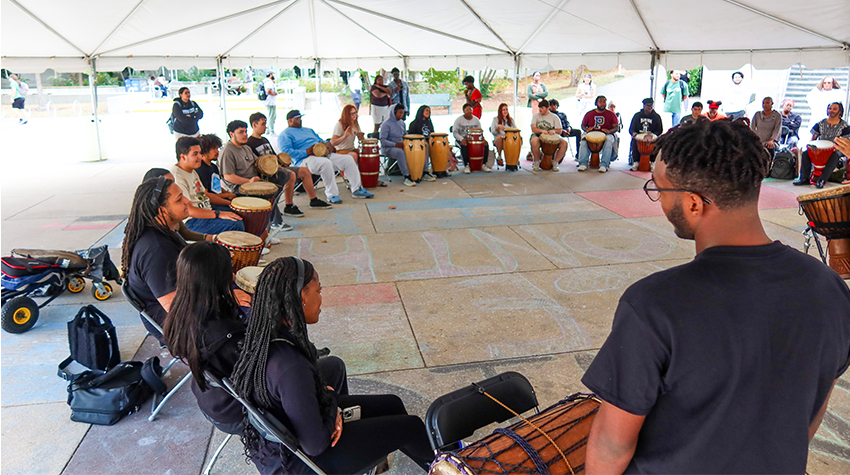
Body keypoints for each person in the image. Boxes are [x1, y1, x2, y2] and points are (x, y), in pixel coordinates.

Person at [582, 118, 850, 474]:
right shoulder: (829, 288)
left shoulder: (654, 304)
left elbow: (612, 446)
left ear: (694, 204)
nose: (659, 200)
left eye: (659, 190)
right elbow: (810, 415)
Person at [230, 257, 434, 475]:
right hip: (302, 463)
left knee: (392, 404)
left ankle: (432, 464)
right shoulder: (290, 366)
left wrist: (329, 402)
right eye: (318, 291)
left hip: (289, 443)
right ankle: (451, 467)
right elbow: (315, 444)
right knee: (411, 428)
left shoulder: (264, 336)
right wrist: (332, 406)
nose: (321, 298)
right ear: (301, 297)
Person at [163, 242, 348, 436]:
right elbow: (268, 371)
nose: (233, 276)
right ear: (217, 278)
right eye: (229, 271)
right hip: (240, 412)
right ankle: (338, 424)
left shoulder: (182, 313)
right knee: (334, 367)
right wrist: (326, 399)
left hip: (211, 401)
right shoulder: (226, 337)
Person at [122, 176, 190, 340]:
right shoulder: (157, 250)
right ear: (162, 211)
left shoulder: (163, 232)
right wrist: (224, 296)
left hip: (184, 307)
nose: (187, 201)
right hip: (179, 327)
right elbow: (178, 310)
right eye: (179, 199)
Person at [278, 110, 374, 203]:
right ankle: (332, 194)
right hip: (305, 159)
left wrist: (328, 144)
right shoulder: (285, 134)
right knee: (325, 163)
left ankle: (357, 189)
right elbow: (286, 152)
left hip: (322, 154)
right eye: (297, 118)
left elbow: (321, 140)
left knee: (348, 159)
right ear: (290, 120)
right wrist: (305, 152)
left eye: (300, 118)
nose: (300, 120)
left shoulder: (309, 130)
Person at [219, 119, 296, 233]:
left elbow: (258, 163)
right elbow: (228, 176)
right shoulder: (227, 151)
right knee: (268, 193)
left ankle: (270, 210)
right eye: (241, 132)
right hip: (240, 187)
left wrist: (272, 163)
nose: (245, 134)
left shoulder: (246, 148)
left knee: (282, 174)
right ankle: (273, 220)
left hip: (255, 181)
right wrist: (249, 181)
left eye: (246, 131)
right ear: (231, 134)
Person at [247, 112, 331, 209]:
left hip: (277, 168)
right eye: (263, 124)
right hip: (267, 172)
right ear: (254, 125)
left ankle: (314, 200)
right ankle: (289, 205)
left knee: (305, 171)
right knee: (290, 174)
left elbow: (274, 155)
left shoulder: (264, 140)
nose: (266, 127)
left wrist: (282, 162)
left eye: (265, 124)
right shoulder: (250, 143)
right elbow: (254, 162)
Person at [169, 137, 245, 234]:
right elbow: (189, 210)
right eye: (195, 154)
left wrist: (230, 203)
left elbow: (205, 194)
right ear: (183, 157)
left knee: (239, 212)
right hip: (192, 220)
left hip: (206, 209)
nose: (200, 157)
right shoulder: (177, 176)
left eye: (200, 153)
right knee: (236, 224)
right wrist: (219, 214)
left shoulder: (192, 171)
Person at [141, 168, 217, 245]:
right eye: (167, 183)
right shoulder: (158, 245)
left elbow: (185, 233)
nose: (173, 185)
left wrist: (214, 238)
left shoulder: (172, 216)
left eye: (173, 181)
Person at [793, 102, 850, 189]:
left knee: (835, 156)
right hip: (821, 149)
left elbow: (845, 142)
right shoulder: (821, 123)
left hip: (837, 149)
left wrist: (835, 148)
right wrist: (811, 147)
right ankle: (804, 178)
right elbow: (814, 138)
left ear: (840, 111)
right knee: (806, 153)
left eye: (834, 109)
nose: (831, 110)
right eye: (830, 108)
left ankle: (822, 180)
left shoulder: (845, 126)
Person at [382, 104, 434, 186]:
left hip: (402, 145)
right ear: (393, 113)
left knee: (422, 146)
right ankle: (406, 176)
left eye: (402, 113)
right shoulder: (386, 124)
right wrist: (395, 144)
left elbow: (406, 135)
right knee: (400, 152)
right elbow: (383, 141)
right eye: (400, 113)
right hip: (389, 148)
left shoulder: (401, 123)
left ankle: (424, 171)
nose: (401, 115)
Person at [578, 95, 619, 172]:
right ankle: (583, 163)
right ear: (596, 103)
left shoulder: (611, 114)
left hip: (607, 134)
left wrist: (609, 131)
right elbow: (583, 125)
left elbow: (616, 127)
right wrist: (587, 129)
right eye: (600, 102)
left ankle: (604, 164)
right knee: (583, 140)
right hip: (591, 133)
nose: (602, 104)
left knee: (609, 140)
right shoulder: (589, 113)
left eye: (604, 102)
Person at [529, 99, 566, 172]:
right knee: (534, 142)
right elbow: (534, 129)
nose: (540, 109)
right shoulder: (536, 116)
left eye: (542, 108)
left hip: (551, 136)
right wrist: (542, 131)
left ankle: (555, 162)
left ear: (547, 108)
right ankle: (536, 162)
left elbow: (559, 130)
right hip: (538, 135)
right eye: (539, 107)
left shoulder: (554, 117)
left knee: (564, 144)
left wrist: (554, 131)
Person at [628, 98, 664, 170]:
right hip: (639, 136)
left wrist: (653, 134)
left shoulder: (656, 117)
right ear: (644, 106)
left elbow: (660, 130)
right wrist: (634, 133)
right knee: (634, 141)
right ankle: (636, 162)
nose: (649, 107)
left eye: (651, 106)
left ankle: (652, 162)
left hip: (651, 137)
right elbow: (631, 129)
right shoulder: (637, 116)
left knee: (656, 143)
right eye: (648, 106)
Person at [453, 103, 489, 174]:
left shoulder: (476, 120)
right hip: (463, 139)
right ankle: (466, 165)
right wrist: (462, 139)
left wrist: (483, 139)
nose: (469, 111)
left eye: (470, 109)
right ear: (463, 111)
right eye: (467, 110)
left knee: (485, 145)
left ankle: (483, 164)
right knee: (464, 145)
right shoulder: (458, 120)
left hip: (475, 139)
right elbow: (455, 132)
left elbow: (480, 131)